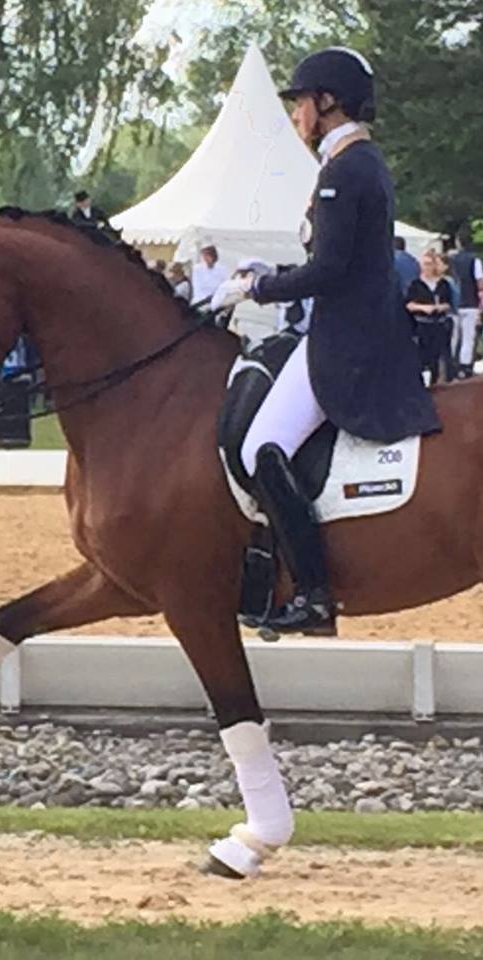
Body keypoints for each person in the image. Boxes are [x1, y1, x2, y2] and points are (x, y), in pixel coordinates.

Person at [211, 46, 440, 636]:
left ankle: (313, 593)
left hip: (347, 341)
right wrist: (271, 273)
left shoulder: (347, 169)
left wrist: (258, 287)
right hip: (353, 329)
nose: (296, 116)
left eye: (300, 105)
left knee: (262, 448)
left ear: (327, 102)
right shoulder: (356, 163)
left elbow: (331, 272)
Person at [406, 250, 453, 385]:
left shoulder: (443, 284)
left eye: (429, 264)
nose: (427, 267)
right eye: (424, 264)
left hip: (438, 323)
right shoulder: (415, 284)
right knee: (421, 356)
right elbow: (409, 304)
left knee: (436, 356)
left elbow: (448, 303)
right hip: (422, 324)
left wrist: (440, 307)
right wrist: (423, 308)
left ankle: (435, 380)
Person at [449, 226, 483, 379]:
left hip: (453, 303)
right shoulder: (474, 260)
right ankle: (465, 367)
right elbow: (480, 283)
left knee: (454, 336)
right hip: (471, 302)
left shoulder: (451, 260)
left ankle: (451, 365)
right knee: (468, 336)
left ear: (458, 242)